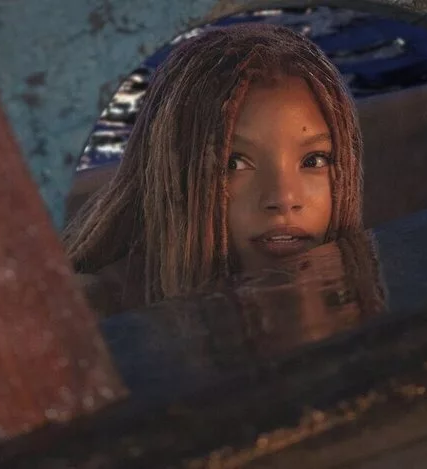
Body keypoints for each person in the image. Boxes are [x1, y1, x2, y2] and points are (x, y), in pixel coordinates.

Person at [64, 22, 385, 317]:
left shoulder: (361, 297)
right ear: (174, 176)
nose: (283, 198)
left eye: (313, 160)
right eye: (235, 163)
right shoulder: (96, 315)